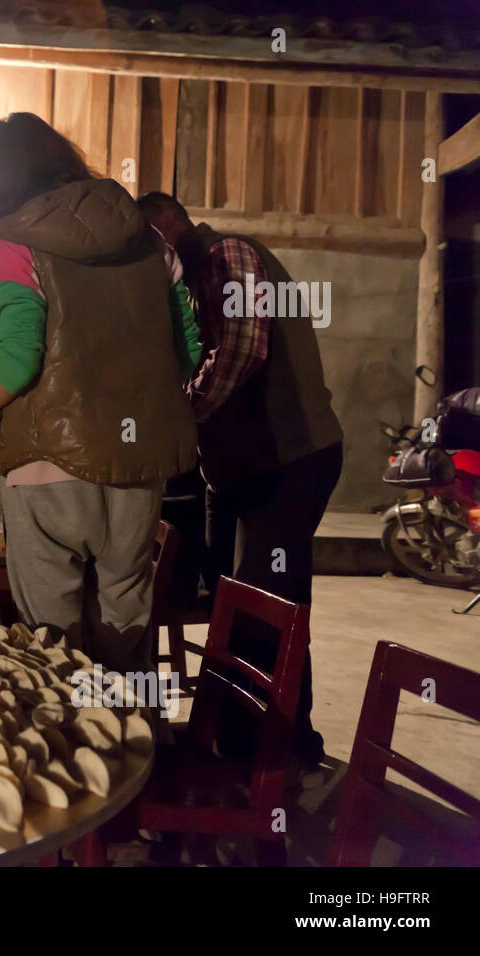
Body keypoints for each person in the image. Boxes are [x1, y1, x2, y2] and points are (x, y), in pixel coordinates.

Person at [0, 113, 198, 674]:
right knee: (125, 625)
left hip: (47, 465)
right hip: (137, 468)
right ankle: (132, 750)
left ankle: (69, 752)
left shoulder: (16, 244)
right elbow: (189, 349)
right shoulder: (145, 239)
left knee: (51, 642)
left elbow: (19, 361)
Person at [137, 190, 343, 765]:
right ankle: (286, 740)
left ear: (172, 221)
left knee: (262, 605)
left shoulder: (228, 255)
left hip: (290, 460)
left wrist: (183, 411)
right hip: (243, 471)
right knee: (263, 601)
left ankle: (259, 753)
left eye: (150, 236)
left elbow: (244, 349)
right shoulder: (188, 280)